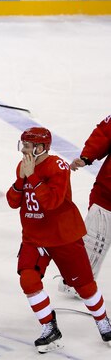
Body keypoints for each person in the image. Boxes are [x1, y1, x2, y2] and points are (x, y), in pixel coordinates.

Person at [6, 127, 111, 353]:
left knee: (84, 287)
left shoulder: (58, 167)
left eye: (27, 145)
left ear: (41, 148)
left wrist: (31, 176)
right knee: (28, 280)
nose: (22, 149)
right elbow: (13, 201)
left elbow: (51, 202)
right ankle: (49, 328)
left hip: (63, 236)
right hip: (34, 238)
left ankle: (103, 321)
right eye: (22, 144)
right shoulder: (23, 167)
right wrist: (20, 181)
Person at [70, 115, 111, 279]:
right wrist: (86, 157)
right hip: (107, 195)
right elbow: (104, 133)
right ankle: (80, 281)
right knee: (93, 239)